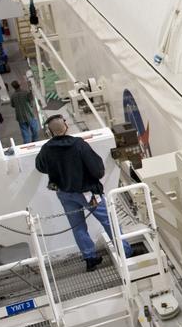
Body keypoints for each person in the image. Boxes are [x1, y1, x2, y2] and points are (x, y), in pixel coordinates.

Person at [35, 115, 132, 270]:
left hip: (64, 193)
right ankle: (125, 251)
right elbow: (97, 169)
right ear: (65, 126)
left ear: (50, 132)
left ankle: (90, 257)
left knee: (77, 226)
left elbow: (40, 166)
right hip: (88, 193)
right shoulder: (79, 145)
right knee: (108, 220)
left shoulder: (46, 149)